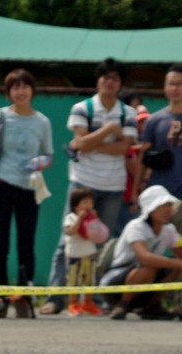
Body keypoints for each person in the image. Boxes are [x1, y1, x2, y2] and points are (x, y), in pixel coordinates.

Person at [40, 58, 137, 315]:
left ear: (120, 83)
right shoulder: (82, 107)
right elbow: (79, 144)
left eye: (115, 78)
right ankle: (54, 298)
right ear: (98, 80)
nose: (109, 82)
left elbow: (123, 148)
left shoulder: (129, 113)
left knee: (101, 244)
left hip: (114, 186)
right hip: (83, 183)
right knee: (67, 239)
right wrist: (108, 130)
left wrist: (91, 141)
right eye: (105, 77)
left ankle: (91, 300)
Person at [0, 69, 53, 315]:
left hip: (29, 187)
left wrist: (40, 162)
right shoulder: (0, 116)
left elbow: (49, 155)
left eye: (24, 86)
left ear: (32, 89)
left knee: (26, 243)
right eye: (14, 87)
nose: (20, 92)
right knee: (0, 243)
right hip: (1, 184)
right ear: (8, 92)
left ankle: (23, 297)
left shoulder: (42, 121)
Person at [99, 185, 182, 320]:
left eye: (169, 205)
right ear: (150, 209)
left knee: (174, 267)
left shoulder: (169, 230)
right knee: (150, 266)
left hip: (144, 283)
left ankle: (152, 306)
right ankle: (122, 305)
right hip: (114, 285)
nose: (168, 210)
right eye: (162, 205)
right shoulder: (135, 226)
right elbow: (145, 258)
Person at [134, 64, 182, 235]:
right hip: (157, 194)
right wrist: (135, 192)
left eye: (179, 84)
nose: (174, 88)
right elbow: (143, 158)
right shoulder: (154, 120)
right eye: (170, 83)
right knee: (151, 243)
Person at [63, 187, 108, 316]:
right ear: (76, 205)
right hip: (74, 256)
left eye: (91, 202)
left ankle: (88, 304)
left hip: (90, 254)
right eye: (85, 202)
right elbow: (70, 231)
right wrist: (80, 219)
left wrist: (96, 219)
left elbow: (100, 232)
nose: (89, 206)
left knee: (90, 280)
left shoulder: (92, 218)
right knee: (74, 281)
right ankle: (73, 304)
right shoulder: (70, 217)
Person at [113, 104, 150, 236]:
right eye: (139, 122)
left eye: (146, 121)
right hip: (125, 199)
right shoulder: (126, 145)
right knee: (124, 237)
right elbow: (136, 170)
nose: (143, 126)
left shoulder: (143, 145)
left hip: (139, 199)